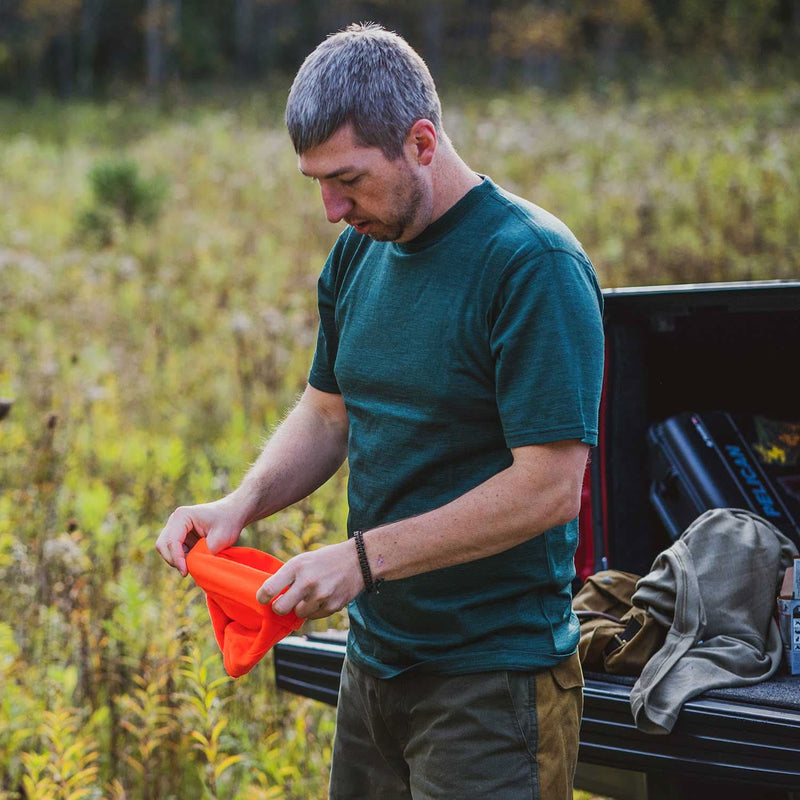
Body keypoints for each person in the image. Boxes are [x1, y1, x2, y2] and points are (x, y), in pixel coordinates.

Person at [157, 22, 604, 800]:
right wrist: (241, 504)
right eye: (316, 183)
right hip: (375, 671)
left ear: (422, 143)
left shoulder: (532, 264)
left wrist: (361, 561)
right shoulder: (360, 249)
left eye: (349, 180)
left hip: (492, 684)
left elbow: (547, 489)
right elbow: (328, 413)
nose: (331, 208)